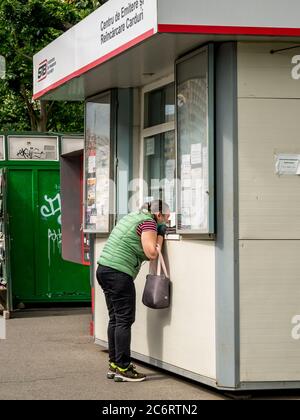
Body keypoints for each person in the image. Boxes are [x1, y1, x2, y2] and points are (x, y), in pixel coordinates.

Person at [96, 199, 170, 382]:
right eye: (166, 218)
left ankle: (114, 364)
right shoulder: (148, 223)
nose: (167, 221)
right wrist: (160, 233)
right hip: (118, 273)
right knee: (124, 319)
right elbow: (152, 252)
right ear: (158, 214)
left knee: (115, 318)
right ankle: (123, 367)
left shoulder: (132, 217)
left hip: (104, 269)